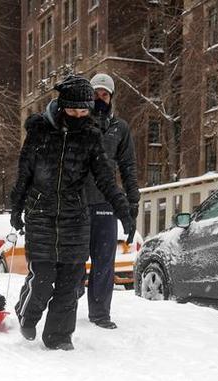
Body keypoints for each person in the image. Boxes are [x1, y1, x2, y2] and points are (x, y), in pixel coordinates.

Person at [9, 75, 133, 351]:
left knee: (69, 281)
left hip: (75, 216)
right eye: (74, 111)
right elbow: (24, 173)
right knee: (42, 280)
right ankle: (27, 313)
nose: (79, 116)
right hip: (41, 212)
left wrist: (124, 210)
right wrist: (16, 208)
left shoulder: (90, 136)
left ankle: (59, 337)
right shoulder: (40, 131)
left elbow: (105, 178)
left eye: (84, 111)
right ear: (63, 105)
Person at [80, 73, 140, 329]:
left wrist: (132, 205)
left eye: (104, 94)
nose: (99, 98)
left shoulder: (120, 129)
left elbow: (128, 168)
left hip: (106, 204)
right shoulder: (77, 124)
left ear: (111, 97)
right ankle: (69, 300)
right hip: (78, 203)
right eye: (95, 94)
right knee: (73, 259)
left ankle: (100, 313)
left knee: (104, 261)